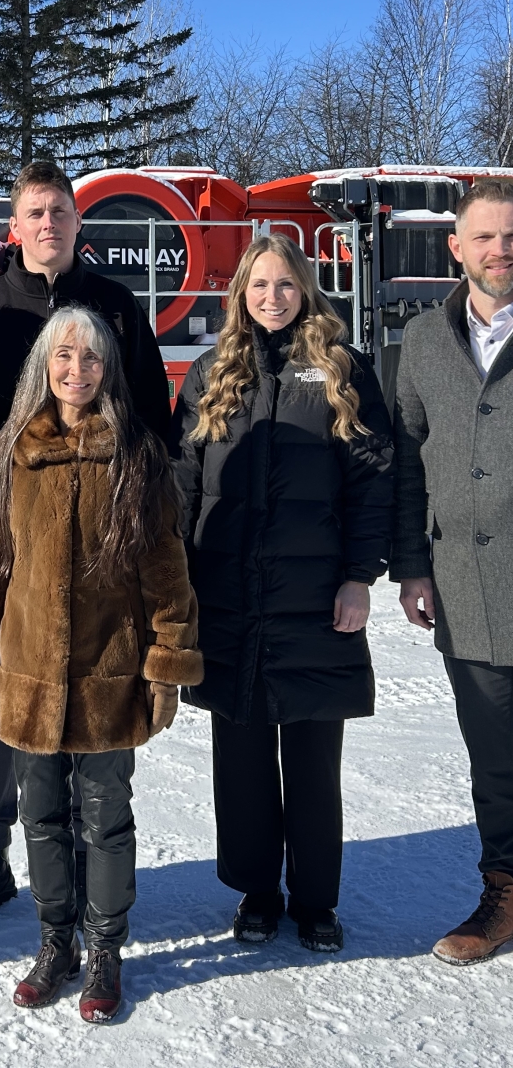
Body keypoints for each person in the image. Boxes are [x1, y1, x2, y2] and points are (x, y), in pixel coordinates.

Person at [0, 160, 172, 933]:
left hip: (103, 558)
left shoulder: (114, 306)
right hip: (13, 556)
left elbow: (154, 424)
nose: (48, 224)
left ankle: (79, 864)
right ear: (15, 226)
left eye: (60, 211)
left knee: (94, 717)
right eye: (34, 212)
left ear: (78, 223)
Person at [0, 305, 200, 1020]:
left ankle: (104, 951)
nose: (76, 370)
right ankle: (53, 942)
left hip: (109, 676)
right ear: (44, 364)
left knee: (106, 818)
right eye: (64, 357)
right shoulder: (12, 451)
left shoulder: (137, 454)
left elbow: (166, 570)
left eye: (90, 359)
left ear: (107, 369)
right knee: (41, 817)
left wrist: (165, 661)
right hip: (27, 673)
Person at [170, 234, 394, 953]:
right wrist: (175, 580)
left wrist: (361, 574)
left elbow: (372, 479)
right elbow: (180, 483)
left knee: (310, 757)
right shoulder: (211, 372)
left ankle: (316, 900)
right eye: (259, 284)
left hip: (313, 596)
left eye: (286, 284)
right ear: (240, 293)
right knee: (238, 759)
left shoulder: (339, 369)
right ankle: (258, 892)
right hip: (226, 597)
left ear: (306, 290)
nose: (273, 296)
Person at [392, 179, 513, 965]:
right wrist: (410, 566)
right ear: (457, 248)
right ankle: (504, 892)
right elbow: (405, 459)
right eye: (489, 237)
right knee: (496, 758)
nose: (504, 250)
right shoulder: (421, 340)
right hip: (467, 589)